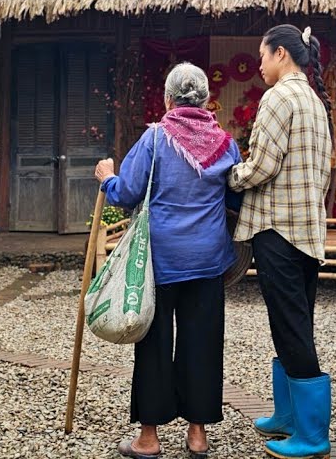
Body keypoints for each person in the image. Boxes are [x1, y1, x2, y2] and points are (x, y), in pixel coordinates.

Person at [94, 62, 239, 459]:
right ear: (207, 100)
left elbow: (125, 193)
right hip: (208, 259)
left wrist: (107, 176)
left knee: (154, 344)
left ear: (168, 99)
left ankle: (149, 438)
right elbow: (235, 197)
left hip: (160, 260)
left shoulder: (155, 139)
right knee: (203, 343)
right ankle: (197, 434)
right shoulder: (225, 144)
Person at [229, 24, 335, 459]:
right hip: (307, 230)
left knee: (290, 328)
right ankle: (287, 417)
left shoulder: (277, 98)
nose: (259, 65)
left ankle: (312, 437)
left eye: (262, 56)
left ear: (281, 55)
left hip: (278, 230)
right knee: (293, 323)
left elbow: (262, 166)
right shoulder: (313, 100)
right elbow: (323, 172)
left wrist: (229, 176)